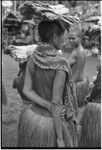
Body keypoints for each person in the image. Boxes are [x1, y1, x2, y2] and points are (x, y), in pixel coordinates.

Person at [17, 20, 78, 147]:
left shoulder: (33, 57)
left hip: (32, 117)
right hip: (51, 123)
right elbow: (56, 102)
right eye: (64, 37)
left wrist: (45, 104)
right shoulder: (60, 64)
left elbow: (27, 90)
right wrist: (60, 138)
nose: (65, 41)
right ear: (55, 37)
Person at [62, 26, 89, 107]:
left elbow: (78, 71)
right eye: (69, 38)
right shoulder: (75, 49)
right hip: (72, 79)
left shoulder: (80, 52)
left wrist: (71, 86)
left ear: (80, 38)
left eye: (73, 38)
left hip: (76, 81)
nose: (70, 40)